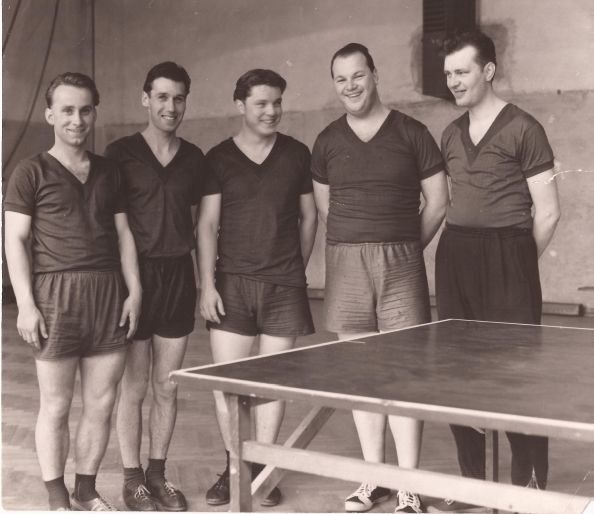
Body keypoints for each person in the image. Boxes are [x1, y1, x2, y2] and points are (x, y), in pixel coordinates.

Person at [311, 43, 448, 514]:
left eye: (358, 75)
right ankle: (374, 479)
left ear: (374, 74)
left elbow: (439, 201)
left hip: (401, 263)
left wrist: (405, 247)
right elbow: (326, 208)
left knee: (403, 376)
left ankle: (408, 486)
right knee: (361, 376)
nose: (350, 86)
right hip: (346, 264)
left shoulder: (412, 132)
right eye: (341, 78)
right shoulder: (327, 140)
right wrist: (359, 243)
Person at [428, 30, 561, 513]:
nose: (453, 81)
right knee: (460, 373)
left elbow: (548, 212)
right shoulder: (449, 133)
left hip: (509, 256)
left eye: (462, 71)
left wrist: (516, 265)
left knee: (516, 377)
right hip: (456, 256)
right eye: (448, 74)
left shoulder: (525, 128)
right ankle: (473, 485)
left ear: (488, 70)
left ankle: (528, 487)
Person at [4, 72, 142, 511]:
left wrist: (134, 291)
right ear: (50, 115)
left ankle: (86, 489)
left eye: (84, 110)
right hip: (55, 297)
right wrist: (26, 304)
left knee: (101, 403)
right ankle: (56, 496)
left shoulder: (109, 171)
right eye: (67, 110)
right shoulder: (29, 171)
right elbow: (14, 240)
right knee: (57, 405)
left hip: (107, 295)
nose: (76, 120)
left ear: (94, 114)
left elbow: (124, 235)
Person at [198, 68, 317, 508]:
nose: (271, 111)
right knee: (228, 385)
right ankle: (235, 469)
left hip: (283, 286)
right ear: (240, 105)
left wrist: (293, 268)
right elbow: (207, 224)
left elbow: (310, 217)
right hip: (232, 283)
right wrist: (206, 285)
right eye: (261, 103)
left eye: (277, 102)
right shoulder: (218, 158)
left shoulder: (297, 153)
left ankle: (262, 471)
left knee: (271, 384)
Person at [105, 62, 207, 512]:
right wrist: (129, 286)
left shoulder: (195, 158)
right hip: (134, 279)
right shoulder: (120, 153)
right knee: (134, 387)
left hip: (177, 277)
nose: (171, 106)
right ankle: (133, 481)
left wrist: (204, 282)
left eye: (178, 98)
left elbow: (200, 223)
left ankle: (158, 475)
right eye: (162, 96)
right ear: (145, 98)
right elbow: (114, 225)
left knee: (167, 385)